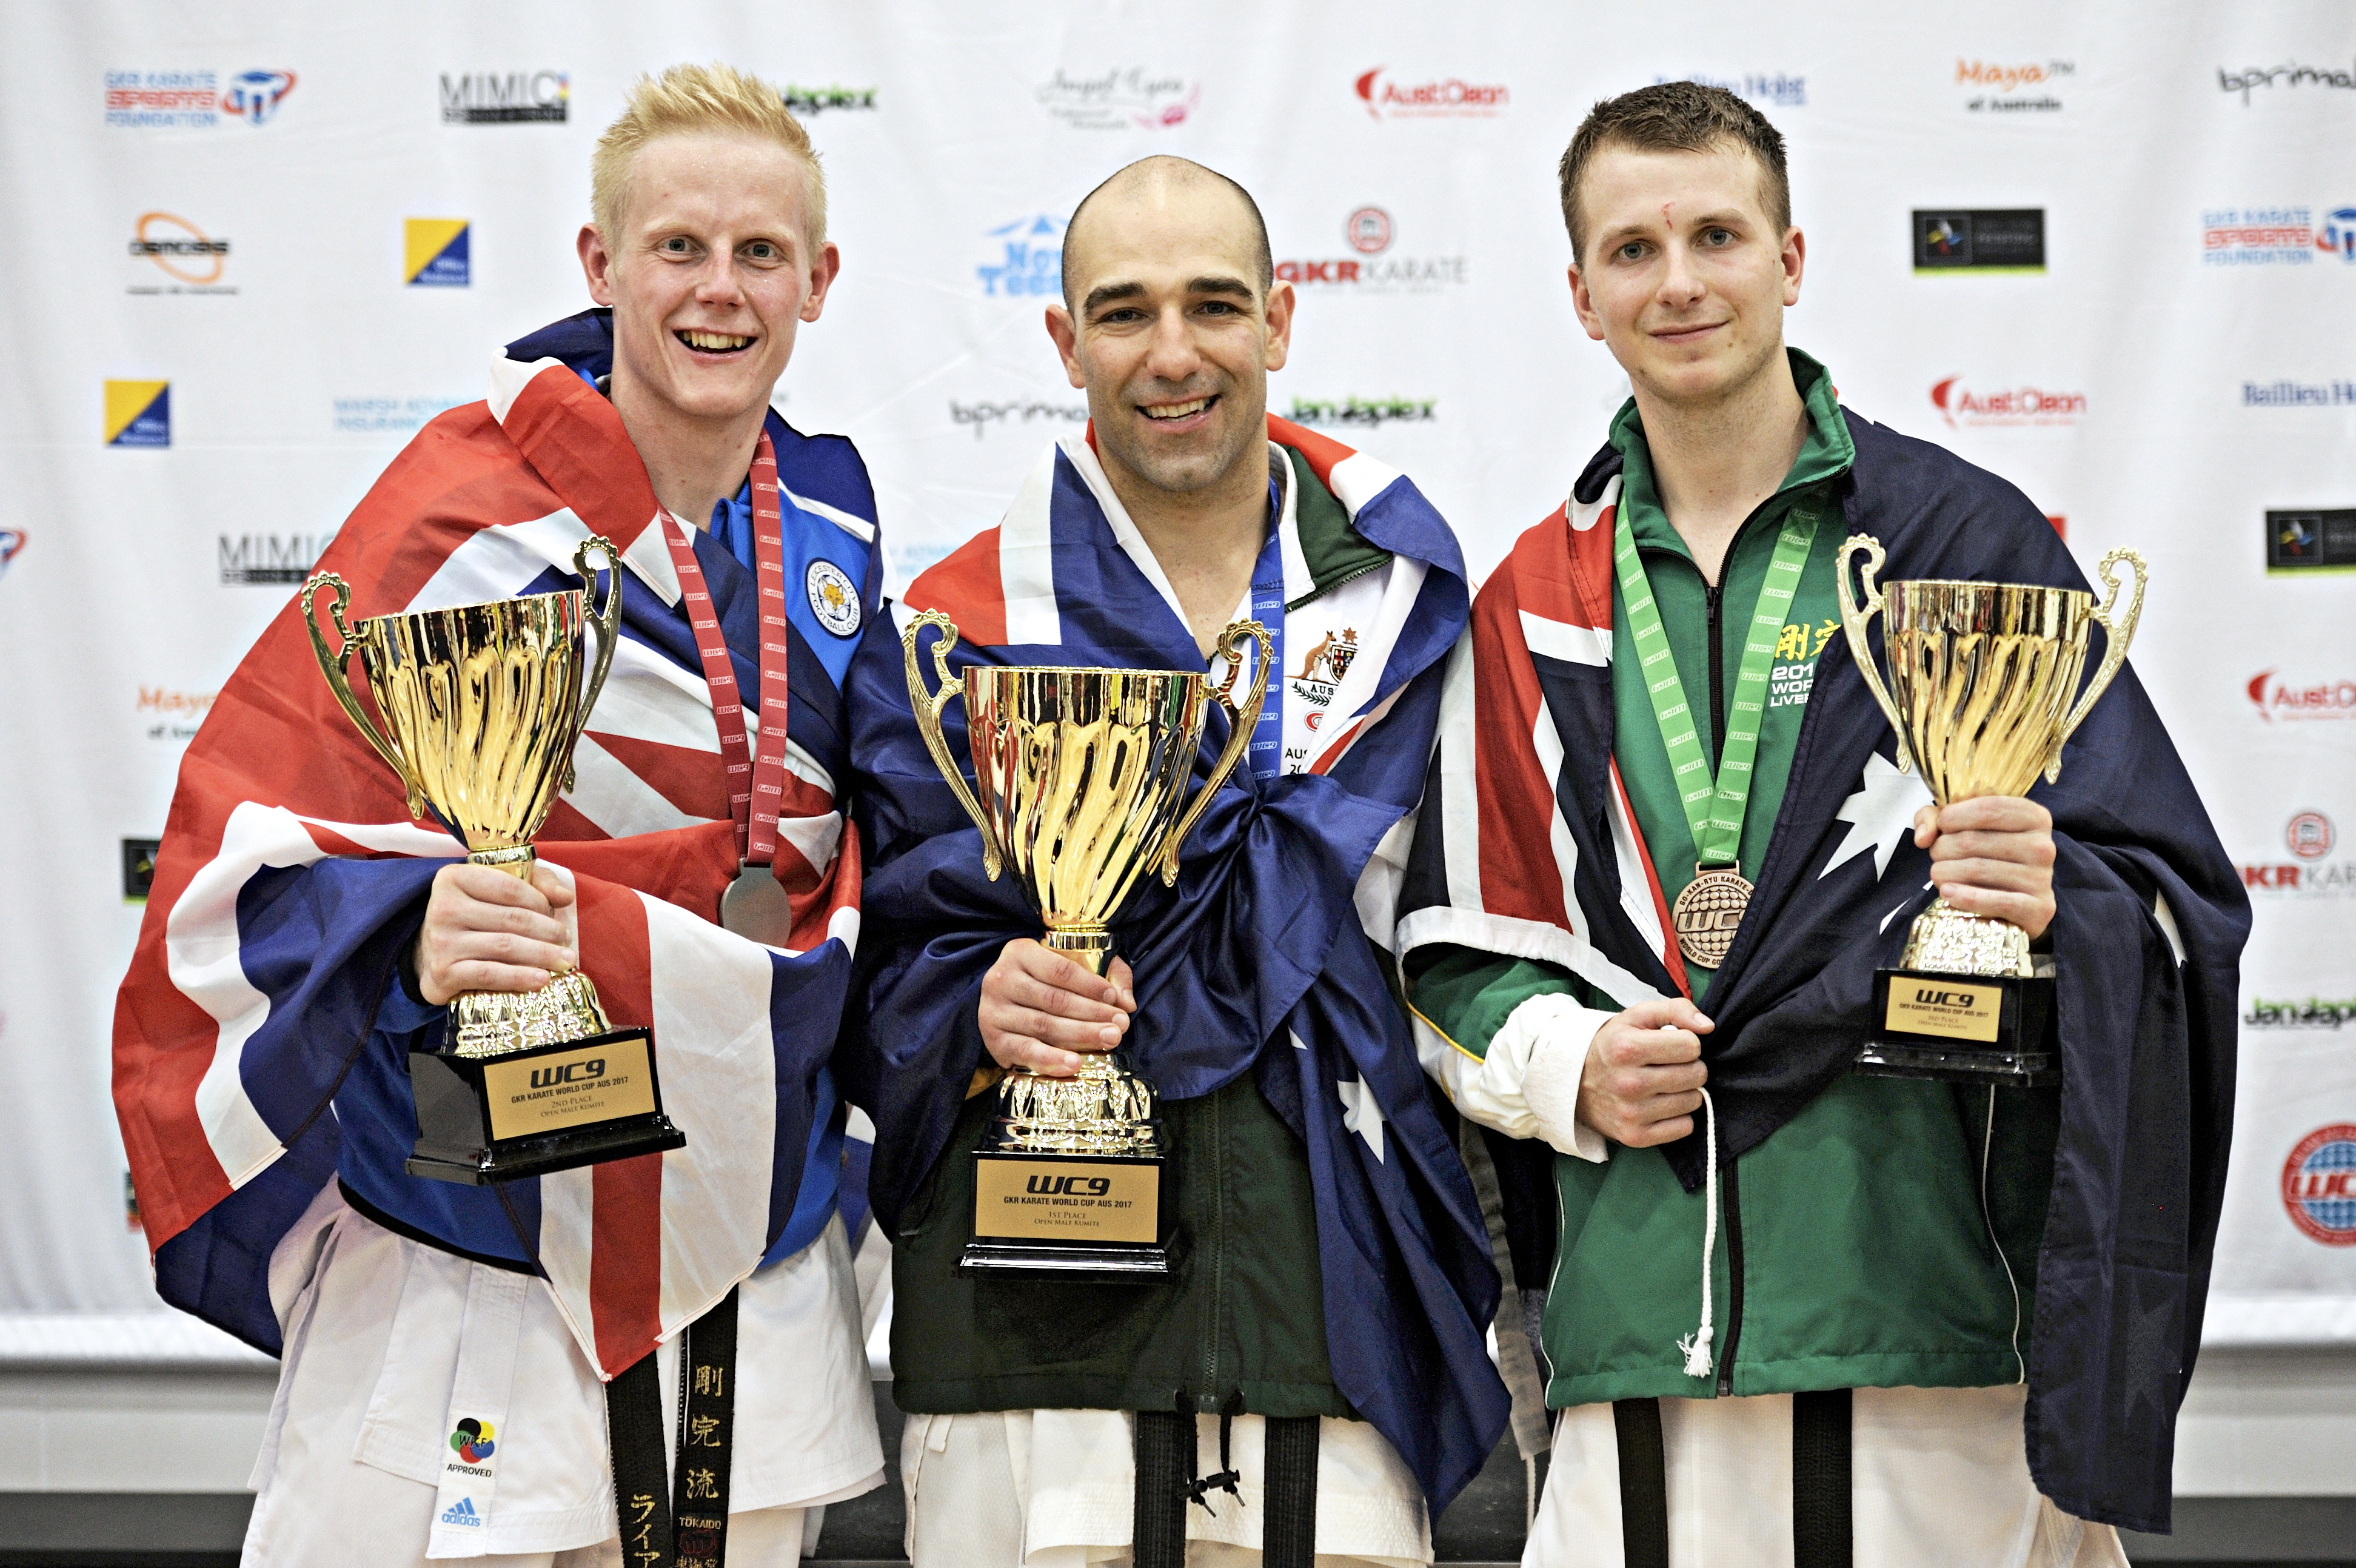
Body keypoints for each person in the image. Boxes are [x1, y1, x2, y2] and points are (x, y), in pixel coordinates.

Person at [1393, 82, 2247, 1567]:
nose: (1678, 282)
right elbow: (1455, 948)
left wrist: (2059, 904)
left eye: (1715, 235)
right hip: (1639, 1331)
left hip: (1938, 1329)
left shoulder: (1962, 547)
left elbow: (2173, 902)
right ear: (1580, 293)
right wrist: (1568, 1062)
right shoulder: (1536, 598)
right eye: (1632, 249)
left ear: (1789, 260)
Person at [114, 64, 886, 1566]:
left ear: (815, 283)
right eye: (677, 249)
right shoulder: (455, 513)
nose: (717, 292)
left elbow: (859, 854)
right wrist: (408, 933)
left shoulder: (837, 526)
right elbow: (249, 845)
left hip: (742, 1239)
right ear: (600, 267)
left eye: (758, 255)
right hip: (465, 1247)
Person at [841, 156, 1507, 1568]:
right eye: (1122, 311)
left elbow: (1478, 941)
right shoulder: (954, 634)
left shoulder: (1413, 614)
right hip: (1027, 1347)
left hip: (1328, 1322)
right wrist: (971, 1010)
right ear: (1062, 341)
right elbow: (866, 962)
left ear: (1278, 318)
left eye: (1212, 305)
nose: (1171, 354)